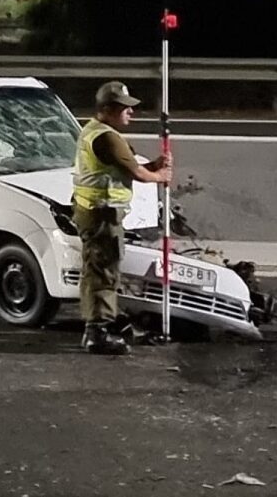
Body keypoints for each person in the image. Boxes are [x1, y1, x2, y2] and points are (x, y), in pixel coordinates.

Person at [72, 81, 173, 355]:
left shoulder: (94, 131)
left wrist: (153, 167)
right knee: (103, 271)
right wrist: (158, 176)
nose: (131, 113)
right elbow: (136, 174)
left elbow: (127, 168)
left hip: (93, 211)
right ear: (106, 109)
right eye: (124, 108)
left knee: (97, 270)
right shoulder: (107, 137)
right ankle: (98, 332)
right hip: (101, 213)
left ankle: (103, 321)